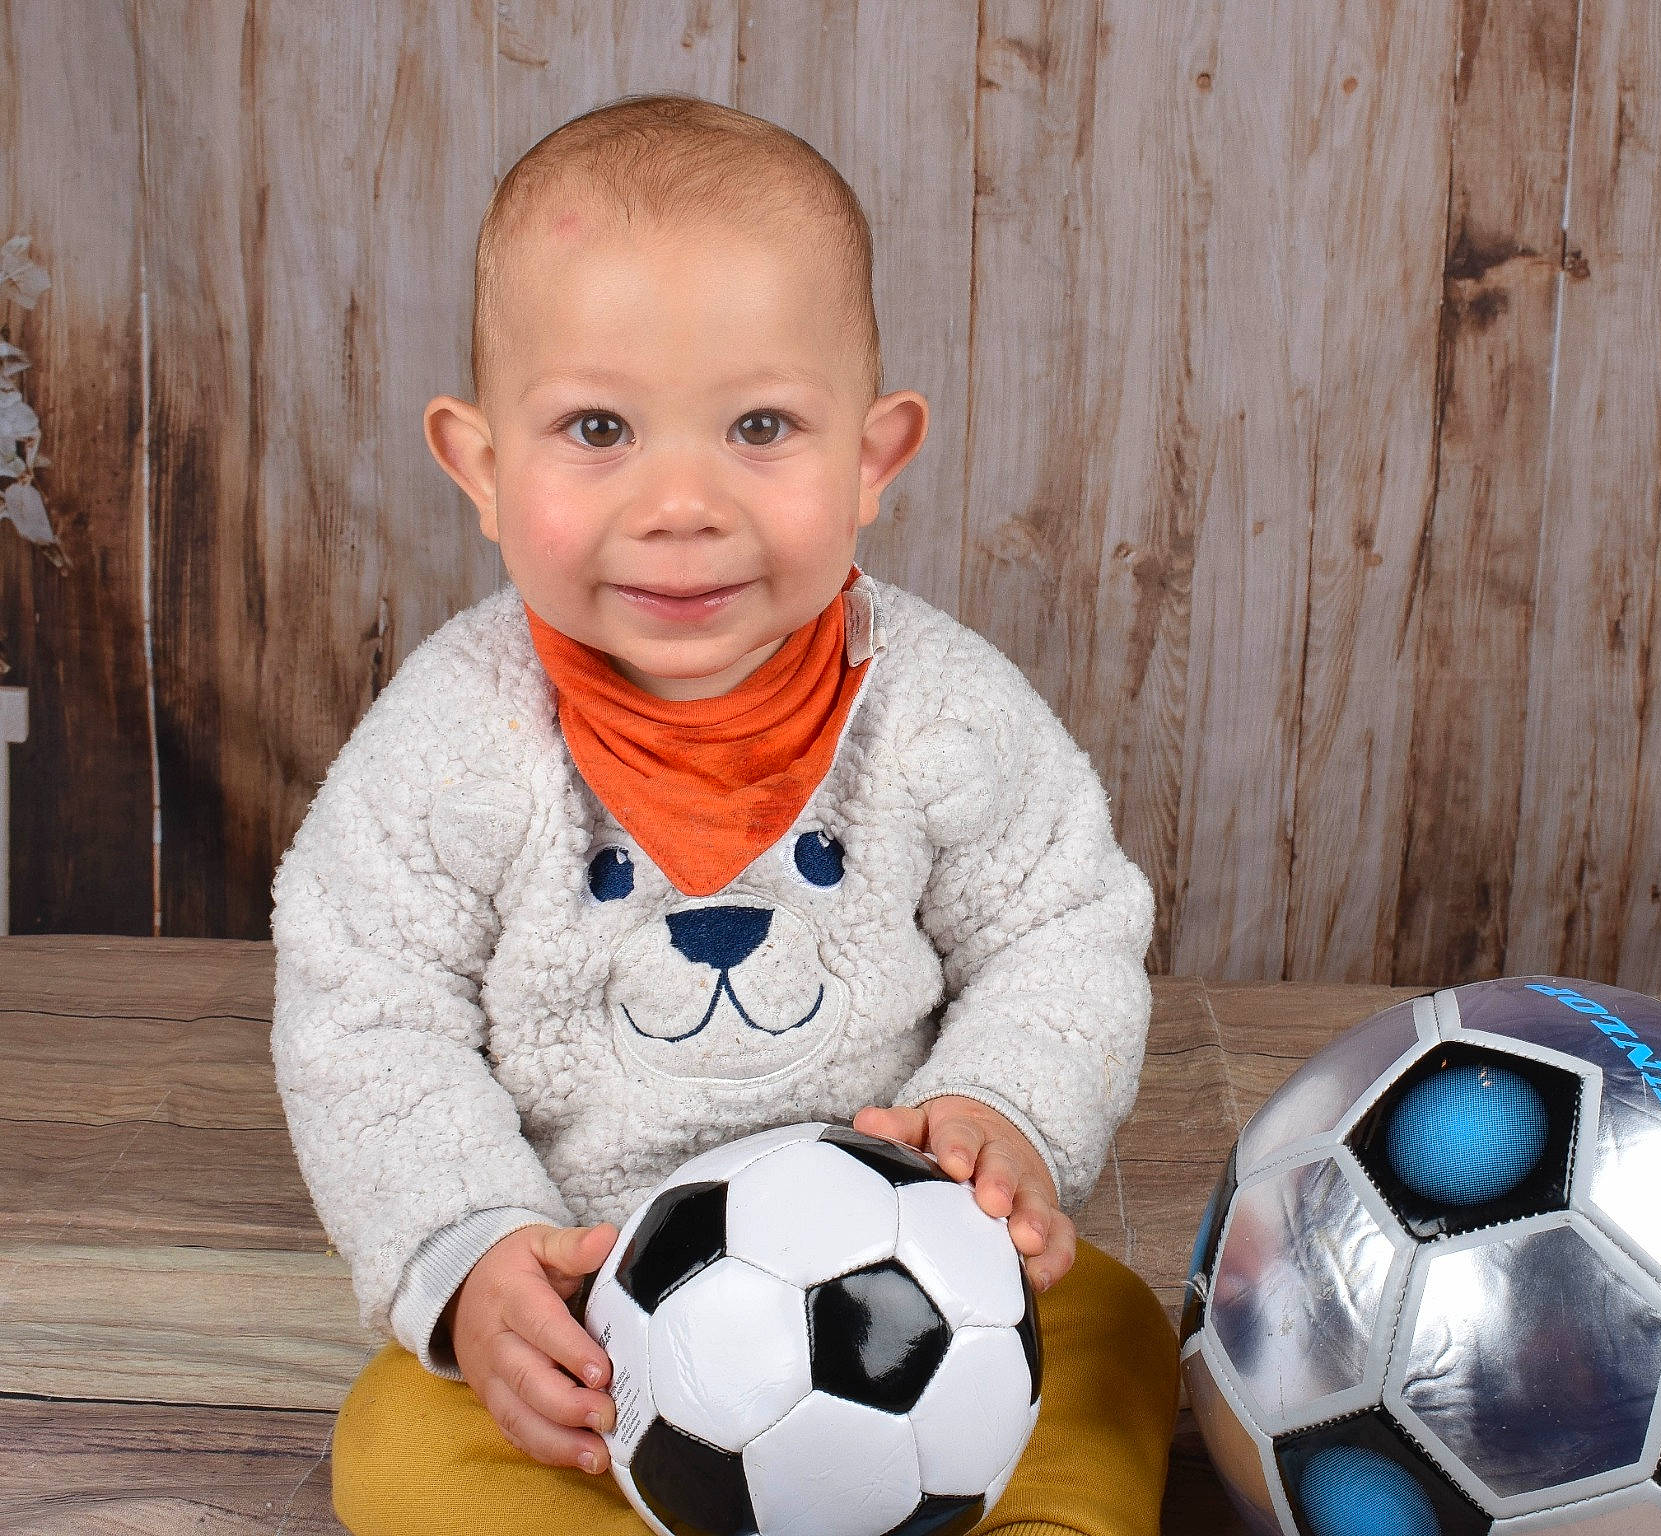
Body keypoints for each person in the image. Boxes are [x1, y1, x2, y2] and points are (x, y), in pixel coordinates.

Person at [268, 93, 1179, 1536]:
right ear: (483, 468)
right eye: (597, 429)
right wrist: (474, 1253)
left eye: (761, 425)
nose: (681, 501)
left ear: (874, 457)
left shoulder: (935, 709)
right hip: (605, 1324)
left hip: (919, 1299)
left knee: (1119, 1334)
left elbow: (1061, 923)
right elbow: (366, 1015)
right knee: (398, 1442)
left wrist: (1000, 1110)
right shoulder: (451, 749)